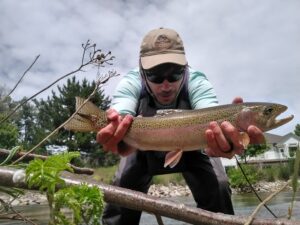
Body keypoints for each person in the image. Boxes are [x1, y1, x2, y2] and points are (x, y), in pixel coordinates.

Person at [96, 27, 265, 225]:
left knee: (218, 186)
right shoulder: (131, 81)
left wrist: (226, 134)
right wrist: (114, 127)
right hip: (141, 145)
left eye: (175, 74)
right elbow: (121, 110)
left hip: (194, 145)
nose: (166, 84)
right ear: (142, 71)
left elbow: (211, 113)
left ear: (185, 68)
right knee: (120, 193)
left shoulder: (197, 80)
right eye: (156, 76)